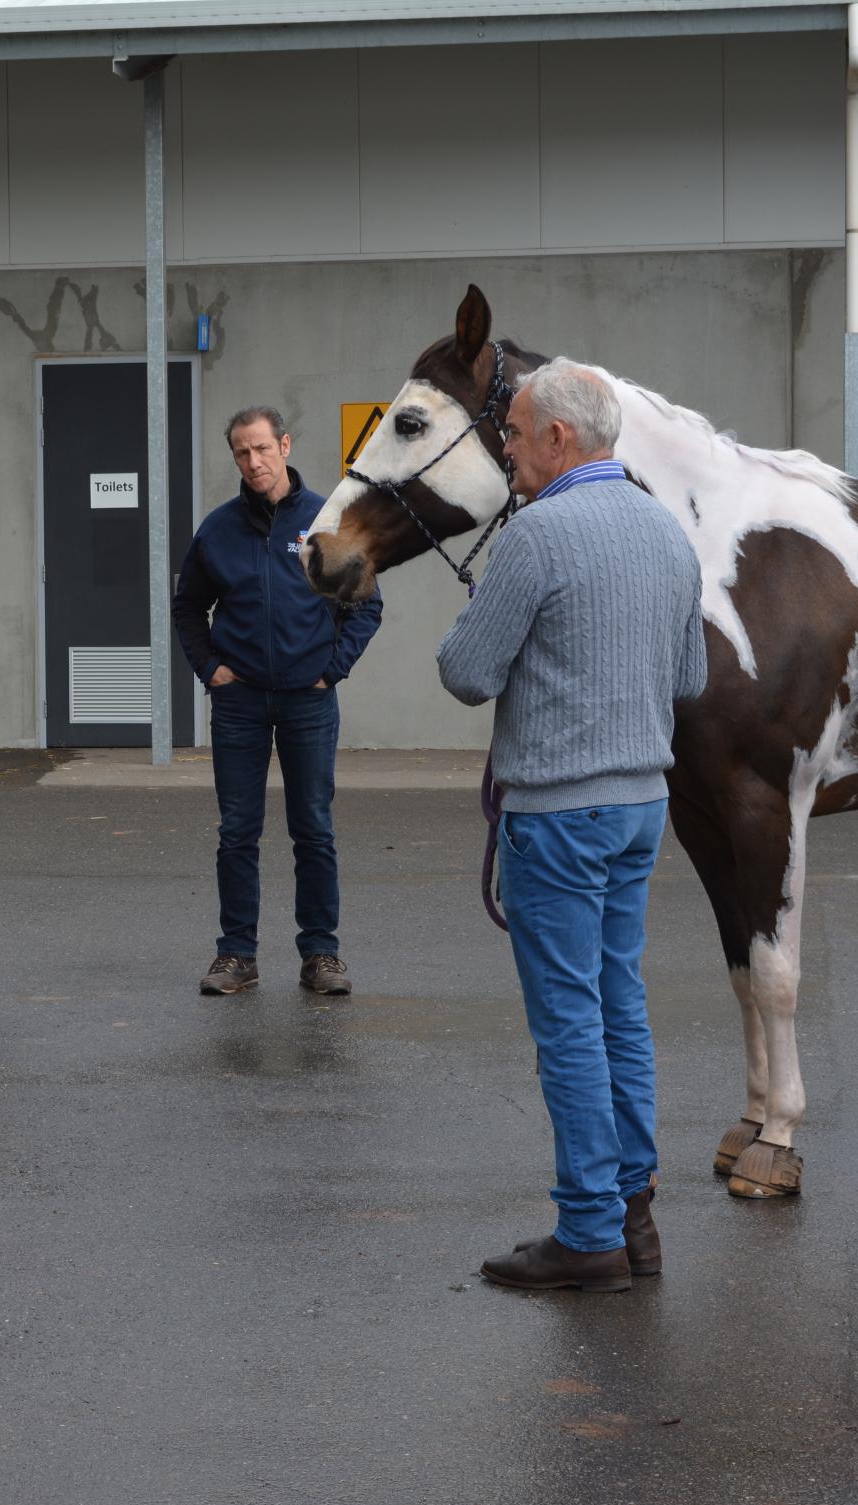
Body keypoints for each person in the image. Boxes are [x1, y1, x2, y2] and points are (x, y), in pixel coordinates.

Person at [436, 359, 708, 1293]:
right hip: (641, 805)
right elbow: (691, 682)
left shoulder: (538, 535)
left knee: (569, 1026)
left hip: (558, 812)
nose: (503, 447)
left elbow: (466, 672)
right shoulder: (666, 531)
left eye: (512, 432)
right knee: (619, 1009)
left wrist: (494, 620)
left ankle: (588, 1231)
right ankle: (635, 1215)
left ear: (559, 437)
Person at [171, 405, 381, 999]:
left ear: (284, 445)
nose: (253, 460)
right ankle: (236, 954)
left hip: (307, 703)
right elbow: (188, 607)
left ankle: (322, 954)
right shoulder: (218, 529)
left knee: (312, 828)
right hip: (239, 703)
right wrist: (211, 669)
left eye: (262, 448)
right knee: (237, 831)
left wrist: (330, 671)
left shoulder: (327, 520)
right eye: (241, 451)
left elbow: (366, 605)